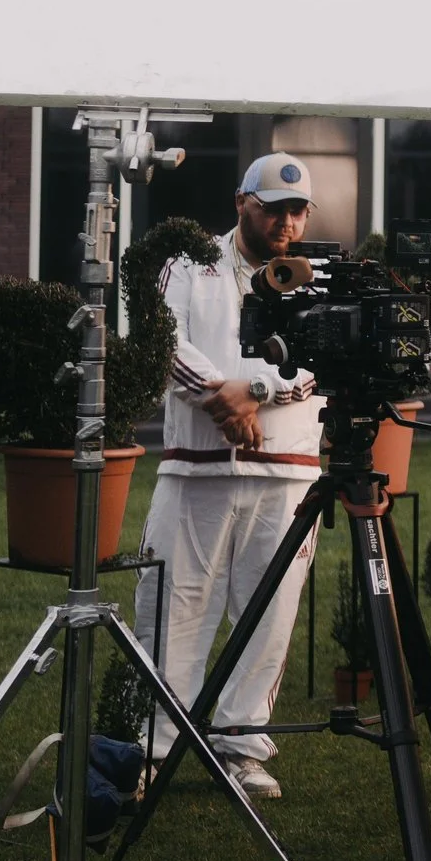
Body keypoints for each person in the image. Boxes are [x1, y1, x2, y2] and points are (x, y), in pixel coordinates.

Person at [131, 153, 325, 800]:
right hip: (196, 468)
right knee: (172, 608)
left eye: (297, 210)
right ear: (242, 201)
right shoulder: (186, 263)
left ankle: (242, 747)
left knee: (268, 614)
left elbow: (321, 362)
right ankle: (154, 748)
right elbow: (159, 339)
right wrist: (225, 397)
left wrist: (257, 391)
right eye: (274, 207)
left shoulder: (316, 278)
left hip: (287, 474)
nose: (287, 222)